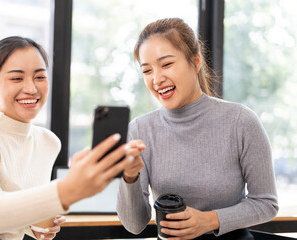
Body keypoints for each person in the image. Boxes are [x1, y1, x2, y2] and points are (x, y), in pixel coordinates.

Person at [0, 36, 145, 240]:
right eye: (17, 78)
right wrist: (67, 190)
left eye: (39, 77)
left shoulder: (48, 142)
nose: (31, 88)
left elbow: (18, 211)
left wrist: (35, 225)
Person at [117, 18, 278, 240]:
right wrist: (129, 177)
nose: (157, 79)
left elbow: (266, 203)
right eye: (147, 71)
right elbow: (134, 225)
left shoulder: (241, 121)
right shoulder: (140, 130)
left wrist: (209, 221)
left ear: (196, 60)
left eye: (166, 64)